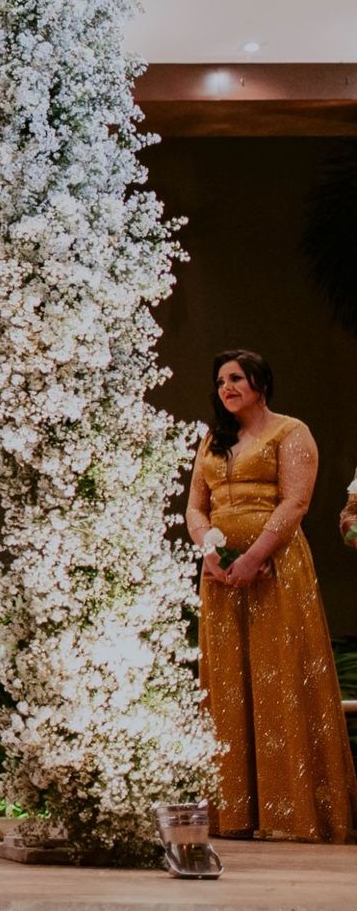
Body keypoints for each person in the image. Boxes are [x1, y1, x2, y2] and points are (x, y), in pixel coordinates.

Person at [185, 349, 356, 844]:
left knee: (280, 670)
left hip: (276, 569)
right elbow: (195, 508)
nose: (226, 387)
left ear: (261, 384)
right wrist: (210, 552)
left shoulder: (290, 432)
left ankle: (296, 813)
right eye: (221, 380)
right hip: (221, 577)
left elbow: (295, 502)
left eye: (236, 378)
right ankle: (233, 813)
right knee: (229, 682)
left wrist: (255, 557)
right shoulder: (212, 439)